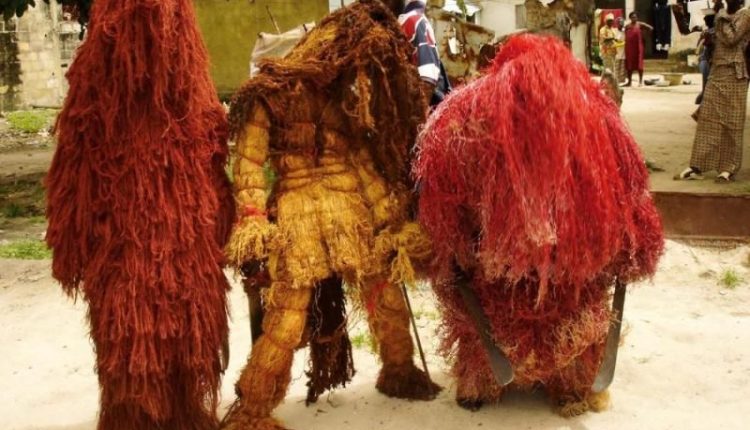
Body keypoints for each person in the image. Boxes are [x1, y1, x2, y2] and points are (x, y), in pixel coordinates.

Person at [414, 34, 663, 417]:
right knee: (554, 322)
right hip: (534, 277)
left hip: (544, 275)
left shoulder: (462, 115)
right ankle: (557, 386)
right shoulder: (594, 115)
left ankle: (507, 384)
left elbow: (441, 212)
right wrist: (634, 250)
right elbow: (633, 201)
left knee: (552, 319)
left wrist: (447, 253)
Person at [220, 2, 440, 429]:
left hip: (337, 210)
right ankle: (253, 408)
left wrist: (388, 215)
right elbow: (250, 164)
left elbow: (357, 158)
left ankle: (397, 369)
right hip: (310, 214)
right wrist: (252, 218)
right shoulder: (281, 97)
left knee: (376, 292)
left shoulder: (333, 94)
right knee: (295, 311)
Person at [45, 0, 235, 428]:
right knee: (129, 340)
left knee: (188, 337)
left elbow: (213, 158)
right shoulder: (95, 95)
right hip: (122, 246)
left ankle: (182, 411)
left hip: (186, 245)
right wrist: (71, 242)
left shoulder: (192, 98)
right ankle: (135, 415)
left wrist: (223, 221)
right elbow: (72, 173)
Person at [677, 0, 750, 183]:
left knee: (732, 123)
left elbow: (732, 38)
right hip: (717, 71)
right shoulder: (721, 16)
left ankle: (728, 168)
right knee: (707, 119)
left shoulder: (745, 15)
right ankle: (698, 164)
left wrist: (720, 14)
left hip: (735, 74)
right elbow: (719, 40)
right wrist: (710, 39)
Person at [398, 0, 451, 106]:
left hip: (429, 106)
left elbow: (428, 78)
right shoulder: (406, 21)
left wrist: (418, 114)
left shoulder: (414, 21)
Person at [624, 12, 653, 86]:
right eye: (633, 17)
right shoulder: (627, 26)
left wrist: (645, 37)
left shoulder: (640, 24)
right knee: (629, 64)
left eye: (635, 17)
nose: (634, 18)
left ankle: (640, 81)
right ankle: (629, 82)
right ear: (630, 18)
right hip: (630, 48)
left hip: (638, 47)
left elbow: (650, 28)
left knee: (639, 64)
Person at [695, 11, 717, 106]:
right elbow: (699, 46)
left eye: (706, 19)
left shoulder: (715, 32)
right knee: (707, 81)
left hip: (710, 60)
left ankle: (705, 97)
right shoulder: (707, 32)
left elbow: (699, 46)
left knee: (707, 81)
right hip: (706, 60)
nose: (705, 21)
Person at [615, 17, 627, 83]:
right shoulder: (614, 31)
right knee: (616, 68)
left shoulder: (624, 31)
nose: (621, 24)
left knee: (623, 68)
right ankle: (616, 81)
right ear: (617, 23)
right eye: (620, 22)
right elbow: (615, 41)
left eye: (622, 23)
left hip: (624, 53)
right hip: (616, 53)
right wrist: (622, 43)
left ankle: (622, 80)